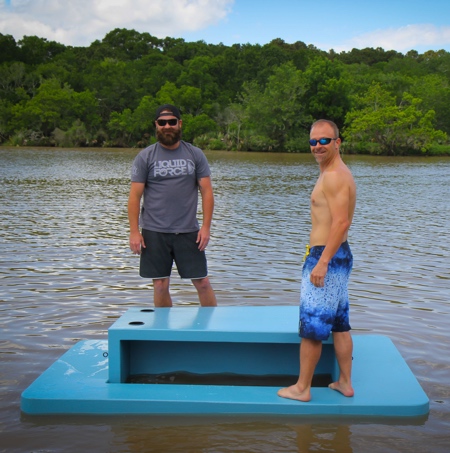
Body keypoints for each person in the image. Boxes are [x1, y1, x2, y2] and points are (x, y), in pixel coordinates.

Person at [278, 119, 356, 402]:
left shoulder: (334, 175)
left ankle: (302, 388)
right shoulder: (334, 172)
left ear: (337, 142)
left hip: (327, 256)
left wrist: (322, 262)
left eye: (324, 140)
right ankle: (345, 382)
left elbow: (341, 222)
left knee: (312, 327)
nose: (318, 146)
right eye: (313, 141)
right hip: (339, 255)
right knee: (339, 323)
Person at [128, 104, 217, 307]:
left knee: (202, 282)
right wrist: (134, 231)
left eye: (171, 122)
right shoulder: (145, 157)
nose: (167, 126)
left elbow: (207, 192)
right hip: (154, 232)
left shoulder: (195, 154)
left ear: (179, 124)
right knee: (160, 284)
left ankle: (212, 332)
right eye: (162, 123)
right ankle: (163, 332)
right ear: (156, 125)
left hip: (189, 231)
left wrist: (206, 227)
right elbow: (134, 196)